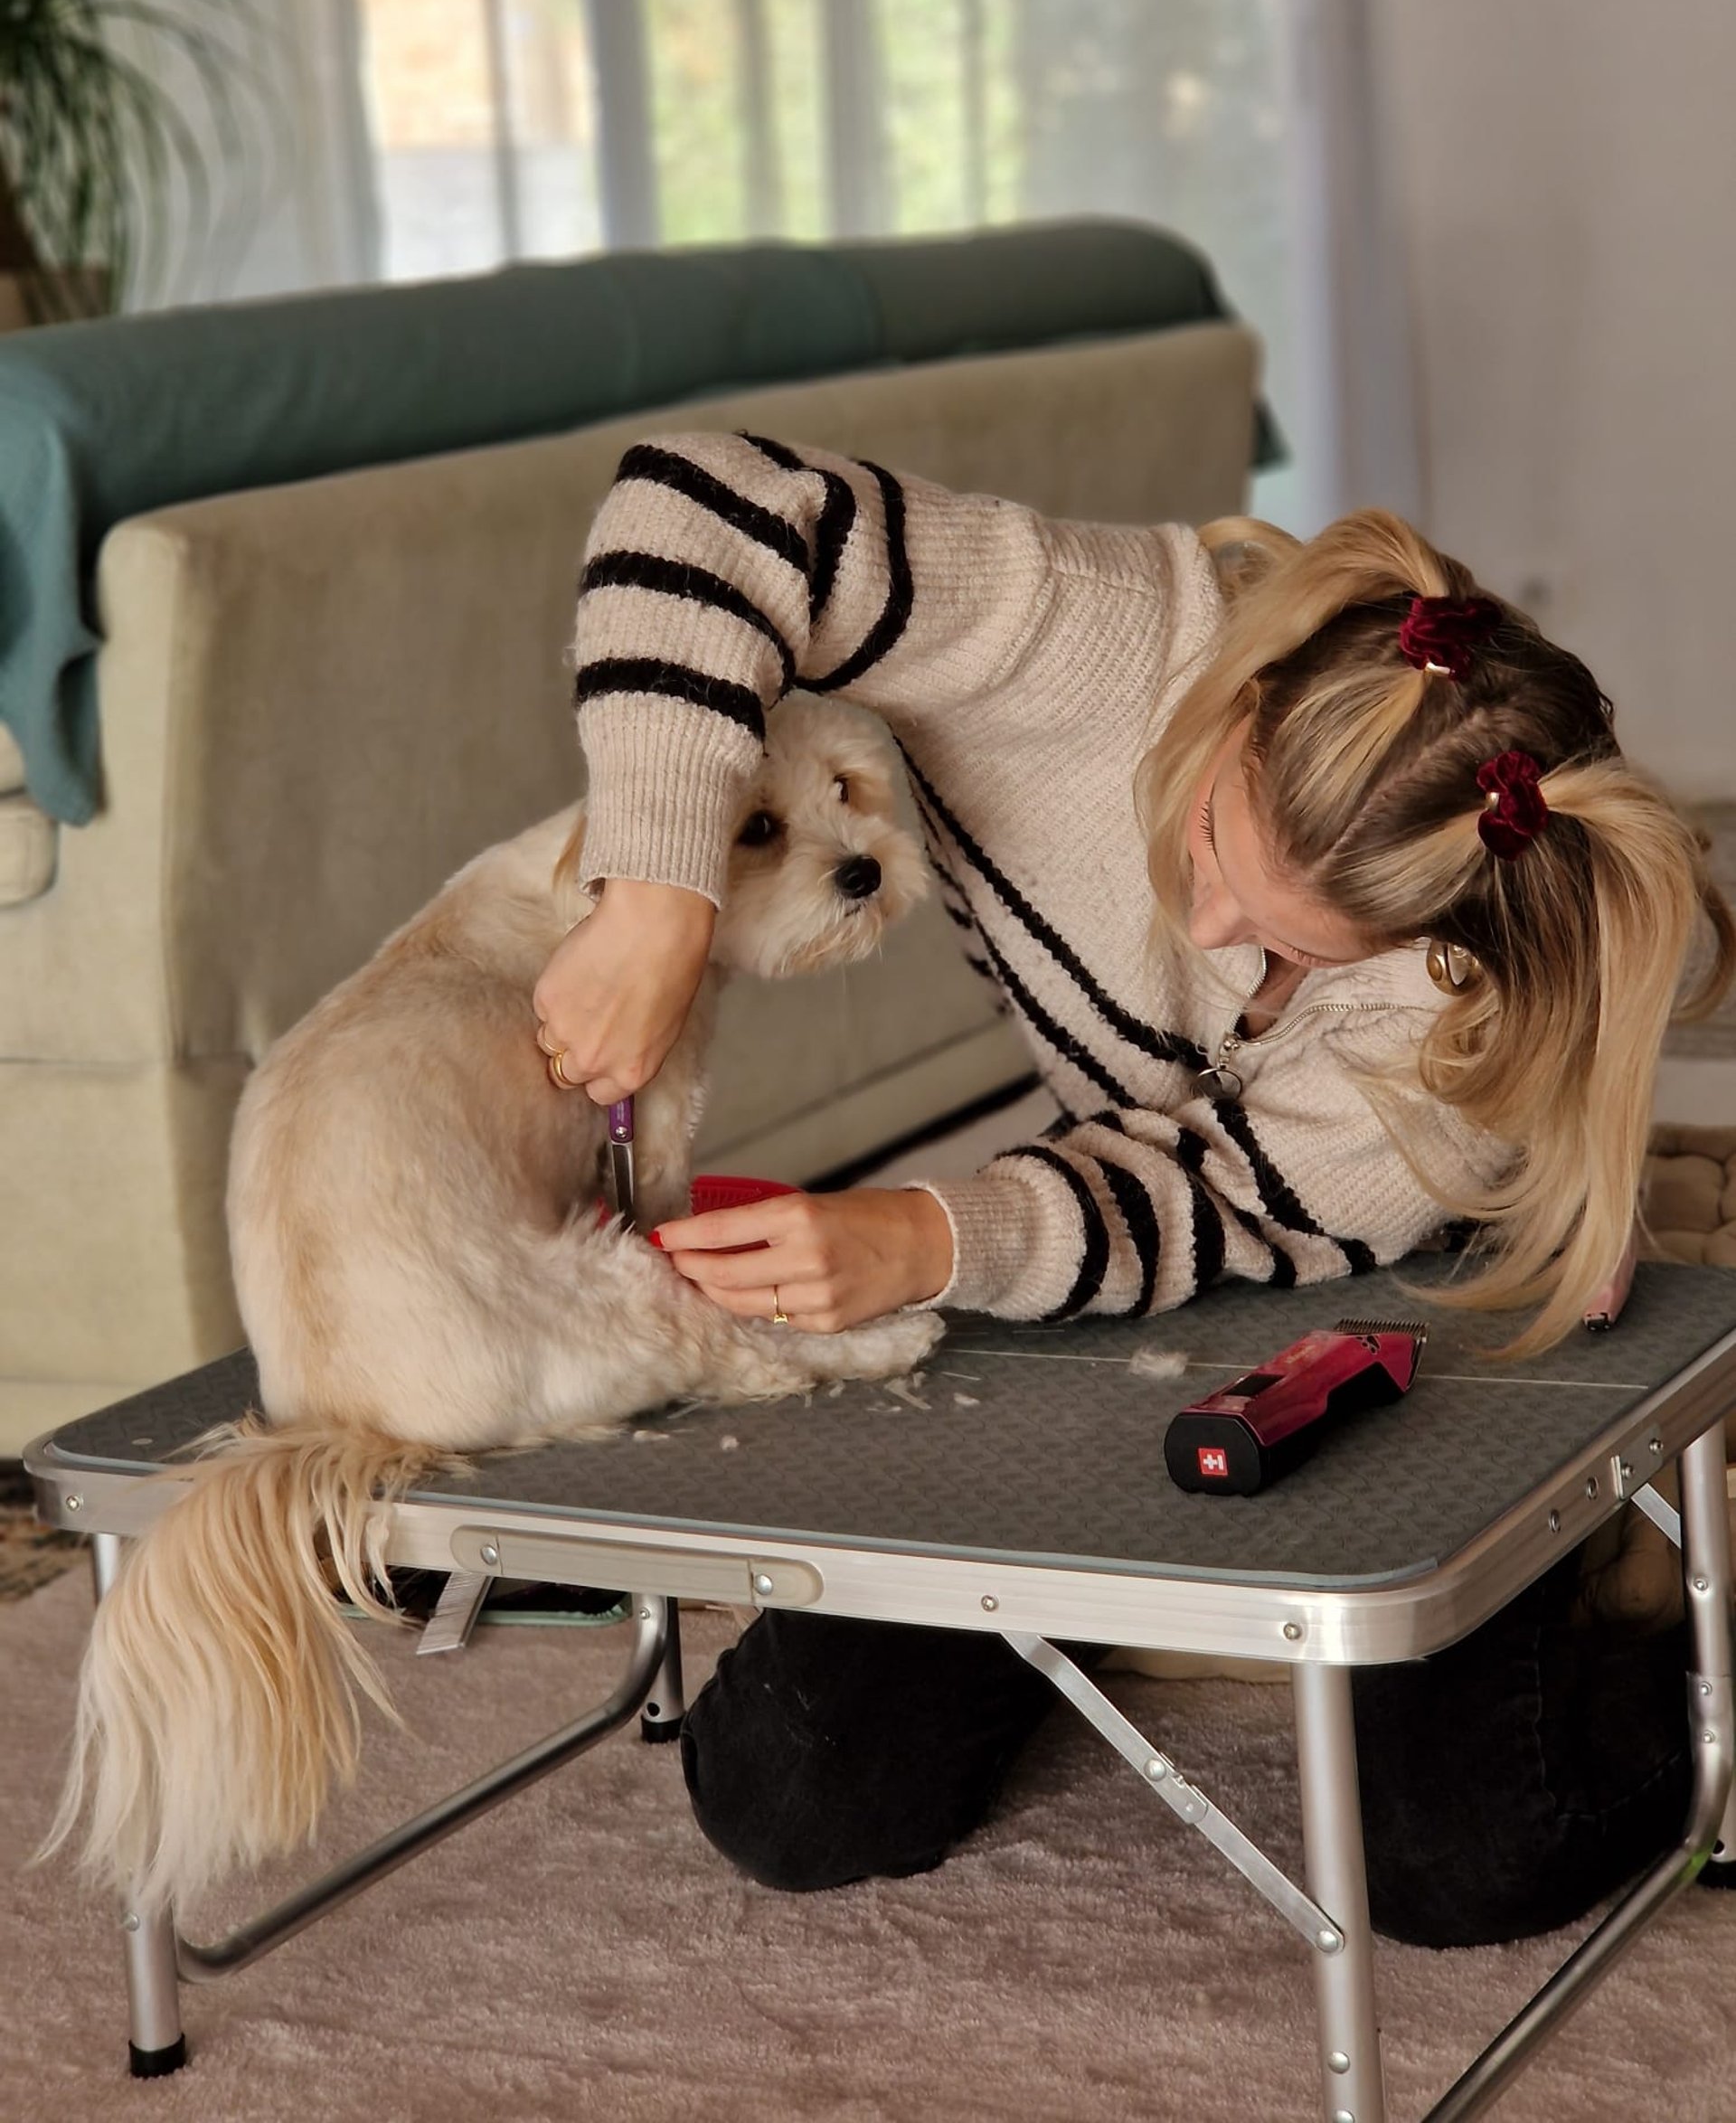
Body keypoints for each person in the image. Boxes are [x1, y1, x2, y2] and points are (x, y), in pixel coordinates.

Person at [532, 430, 1734, 1945]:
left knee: (1458, 1861)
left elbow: (1212, 1199)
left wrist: (933, 1236)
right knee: (791, 1793)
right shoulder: (1100, 637)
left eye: (1299, 943)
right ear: (1241, 706)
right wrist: (658, 900)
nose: (1213, 918)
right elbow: (707, 506)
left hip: (1401, 1250)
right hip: (1112, 1199)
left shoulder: (1472, 1008)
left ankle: (1689, 1654)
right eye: (1221, 838)